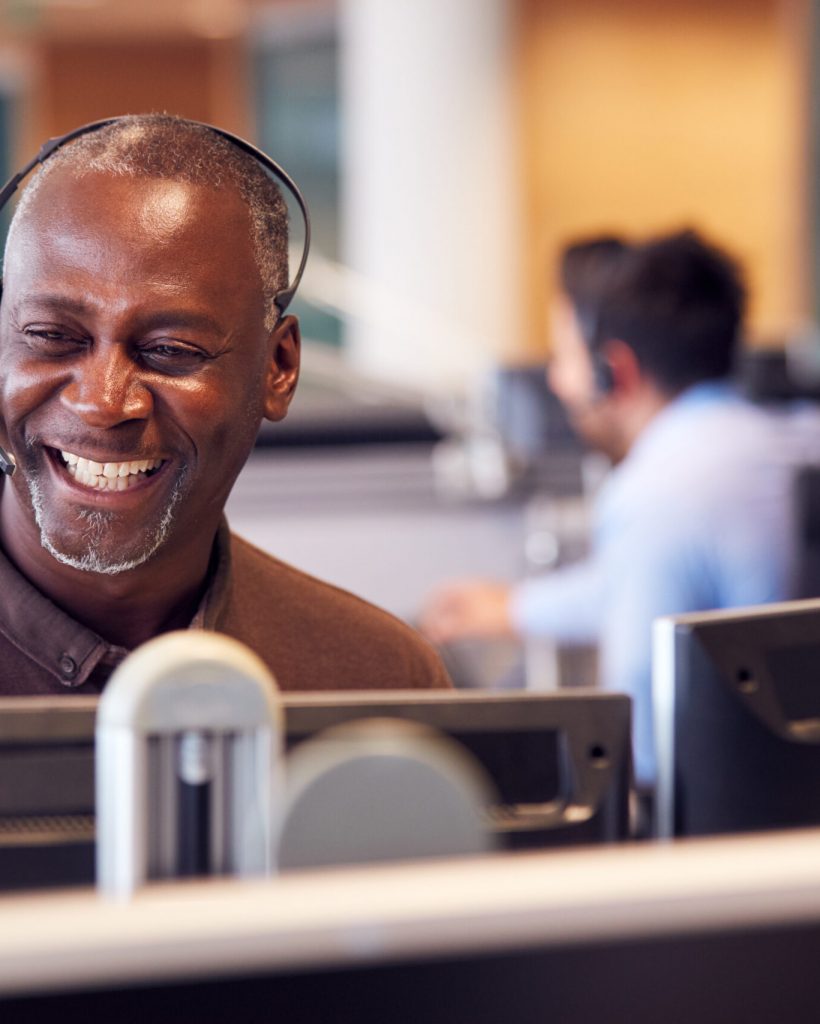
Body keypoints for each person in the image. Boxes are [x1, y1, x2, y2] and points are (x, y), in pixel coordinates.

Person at [0, 113, 450, 696]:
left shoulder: (378, 683)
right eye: (52, 336)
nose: (103, 402)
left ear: (278, 368)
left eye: (169, 350)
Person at [421, 229, 813, 784]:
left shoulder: (657, 493)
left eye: (566, 356)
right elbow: (663, 581)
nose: (558, 380)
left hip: (735, 817)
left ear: (617, 370)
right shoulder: (793, 439)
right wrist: (515, 608)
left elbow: (644, 729)